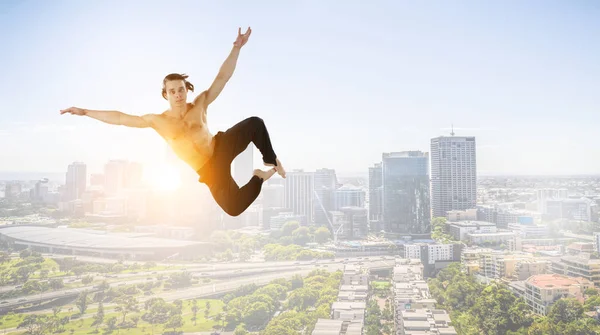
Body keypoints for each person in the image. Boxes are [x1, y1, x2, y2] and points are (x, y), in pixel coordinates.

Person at [60, 27, 285, 217]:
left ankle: (270, 160)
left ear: (186, 90)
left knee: (255, 123)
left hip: (221, 147)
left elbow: (222, 78)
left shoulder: (199, 105)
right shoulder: (158, 121)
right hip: (209, 169)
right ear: (165, 94)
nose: (178, 94)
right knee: (234, 208)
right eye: (172, 91)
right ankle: (259, 176)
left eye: (180, 90)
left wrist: (236, 48)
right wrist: (85, 111)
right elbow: (120, 118)